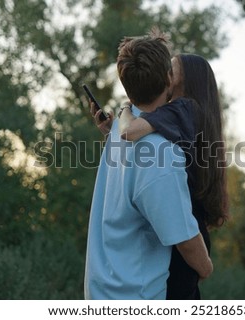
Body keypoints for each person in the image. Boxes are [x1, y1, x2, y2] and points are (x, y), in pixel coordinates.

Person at [84, 29, 213, 300]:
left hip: (101, 293)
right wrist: (205, 267)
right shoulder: (160, 153)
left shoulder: (118, 131)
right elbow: (184, 236)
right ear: (168, 79)